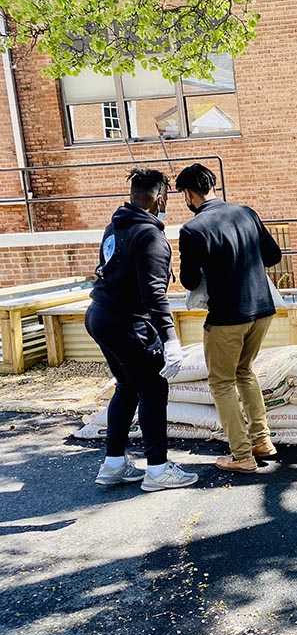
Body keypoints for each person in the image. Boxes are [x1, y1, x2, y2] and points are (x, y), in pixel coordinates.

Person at [86, 169, 198, 492]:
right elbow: (154, 293)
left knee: (127, 386)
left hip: (99, 315)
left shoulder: (114, 227)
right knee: (152, 388)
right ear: (160, 198)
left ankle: (114, 463)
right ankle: (158, 470)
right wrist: (171, 340)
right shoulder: (150, 236)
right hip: (125, 321)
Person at [176, 163, 283, 473]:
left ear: (188, 193)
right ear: (212, 186)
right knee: (245, 372)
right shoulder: (246, 213)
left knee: (221, 382)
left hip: (226, 316)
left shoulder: (192, 229)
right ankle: (262, 441)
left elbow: (190, 281)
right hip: (261, 309)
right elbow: (273, 256)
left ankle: (241, 455)